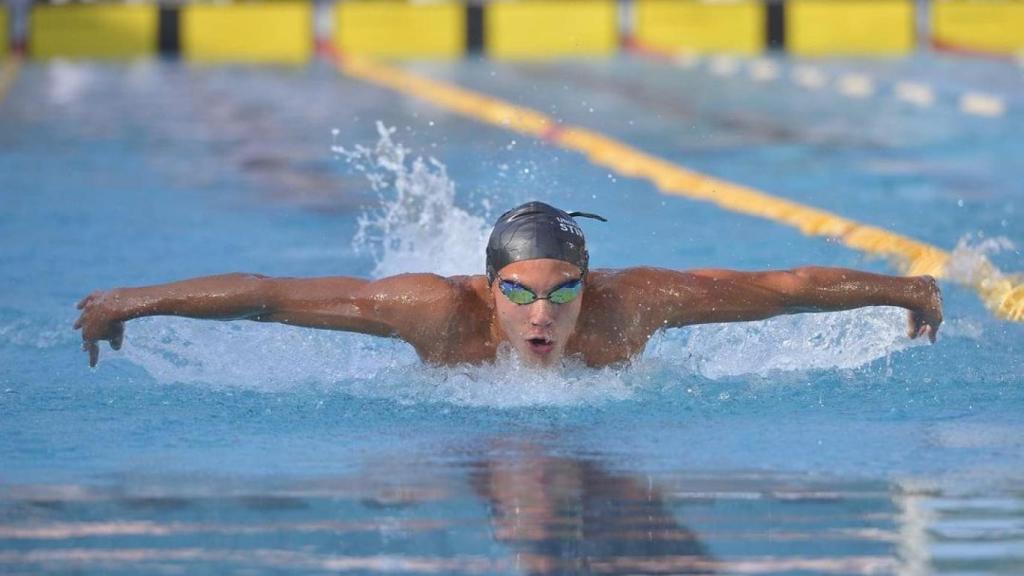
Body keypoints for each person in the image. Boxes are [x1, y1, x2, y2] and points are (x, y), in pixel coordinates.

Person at [74, 201, 943, 368]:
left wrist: (907, 289)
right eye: (520, 292)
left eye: (563, 291)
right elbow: (269, 295)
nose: (543, 311)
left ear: (589, 286)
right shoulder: (432, 312)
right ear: (487, 288)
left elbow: (786, 287)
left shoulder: (633, 307)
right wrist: (132, 301)